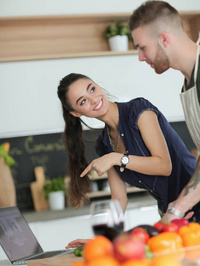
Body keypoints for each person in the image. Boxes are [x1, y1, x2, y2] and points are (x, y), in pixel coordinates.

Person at [57, 73, 196, 226]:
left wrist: (116, 158)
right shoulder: (104, 144)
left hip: (195, 201)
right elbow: (119, 198)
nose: (94, 99)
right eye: (83, 101)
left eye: (92, 89)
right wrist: (106, 236)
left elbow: (164, 166)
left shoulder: (138, 110)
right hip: (172, 215)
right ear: (76, 113)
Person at [128, 0, 200, 222]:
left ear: (164, 39)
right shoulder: (190, 81)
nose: (140, 57)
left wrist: (177, 209)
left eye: (142, 47)